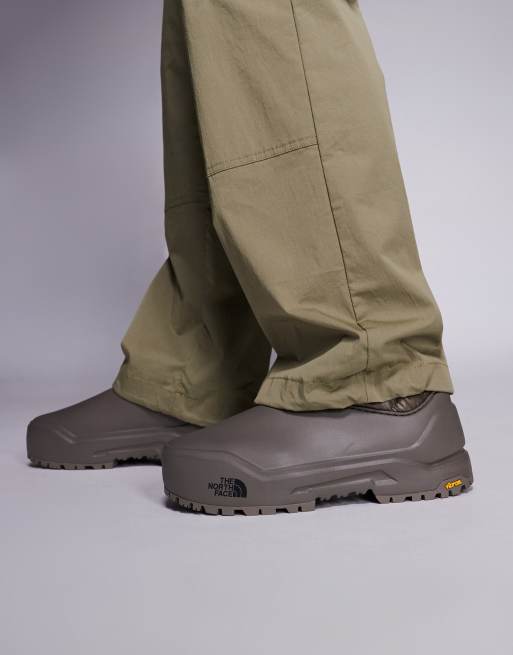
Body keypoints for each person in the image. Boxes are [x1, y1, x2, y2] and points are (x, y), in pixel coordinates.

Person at [26, 0, 473, 515]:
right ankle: (199, 375)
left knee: (268, 12)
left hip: (377, 385)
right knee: (207, 34)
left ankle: (373, 378)